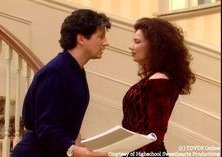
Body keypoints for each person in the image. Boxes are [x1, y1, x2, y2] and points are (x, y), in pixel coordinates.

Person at [11, 9, 111, 157]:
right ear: (81, 39)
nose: (106, 43)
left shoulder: (74, 69)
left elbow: (67, 121)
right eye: (101, 36)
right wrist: (77, 152)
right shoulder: (57, 72)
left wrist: (78, 144)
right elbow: (46, 128)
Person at [121, 17, 195, 156]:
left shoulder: (160, 81)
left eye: (137, 41)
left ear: (155, 46)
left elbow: (155, 134)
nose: (131, 46)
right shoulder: (155, 78)